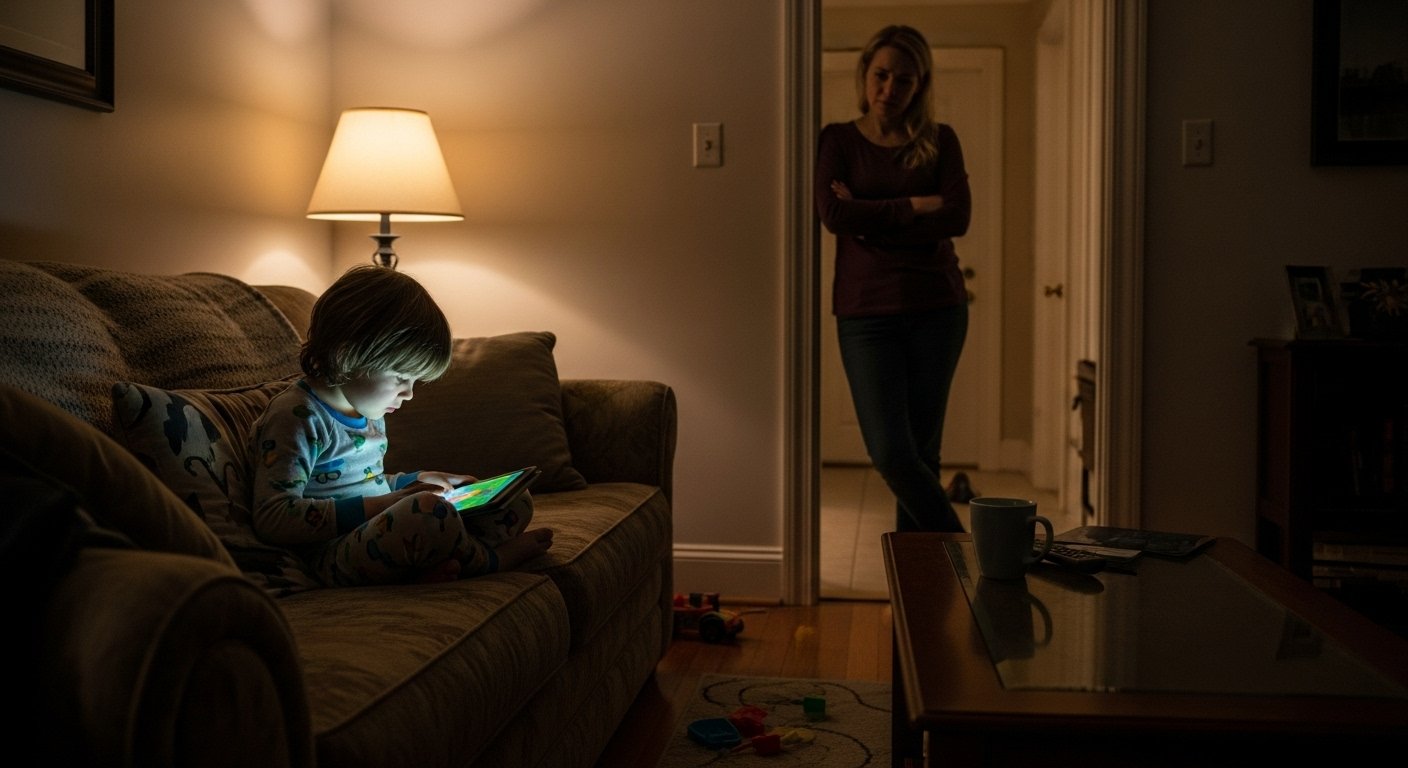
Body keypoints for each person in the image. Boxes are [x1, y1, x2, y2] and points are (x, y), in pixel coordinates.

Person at [249, 264, 554, 586]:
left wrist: (414, 479)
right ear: (347, 354)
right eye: (401, 377)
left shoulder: (368, 413)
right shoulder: (297, 418)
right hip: (331, 555)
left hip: (380, 532)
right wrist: (384, 506)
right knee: (425, 512)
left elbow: (362, 482)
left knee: (514, 497)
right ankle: (488, 560)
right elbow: (274, 516)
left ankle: (437, 561)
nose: (408, 393)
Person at [814, 24, 972, 533]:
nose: (889, 90)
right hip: (867, 313)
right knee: (892, 453)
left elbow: (957, 217)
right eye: (881, 75)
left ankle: (922, 597)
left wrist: (871, 212)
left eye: (903, 80)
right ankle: (967, 552)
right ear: (865, 75)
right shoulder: (837, 140)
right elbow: (834, 216)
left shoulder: (940, 140)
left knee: (924, 455)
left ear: (920, 85)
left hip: (938, 308)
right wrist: (913, 206)